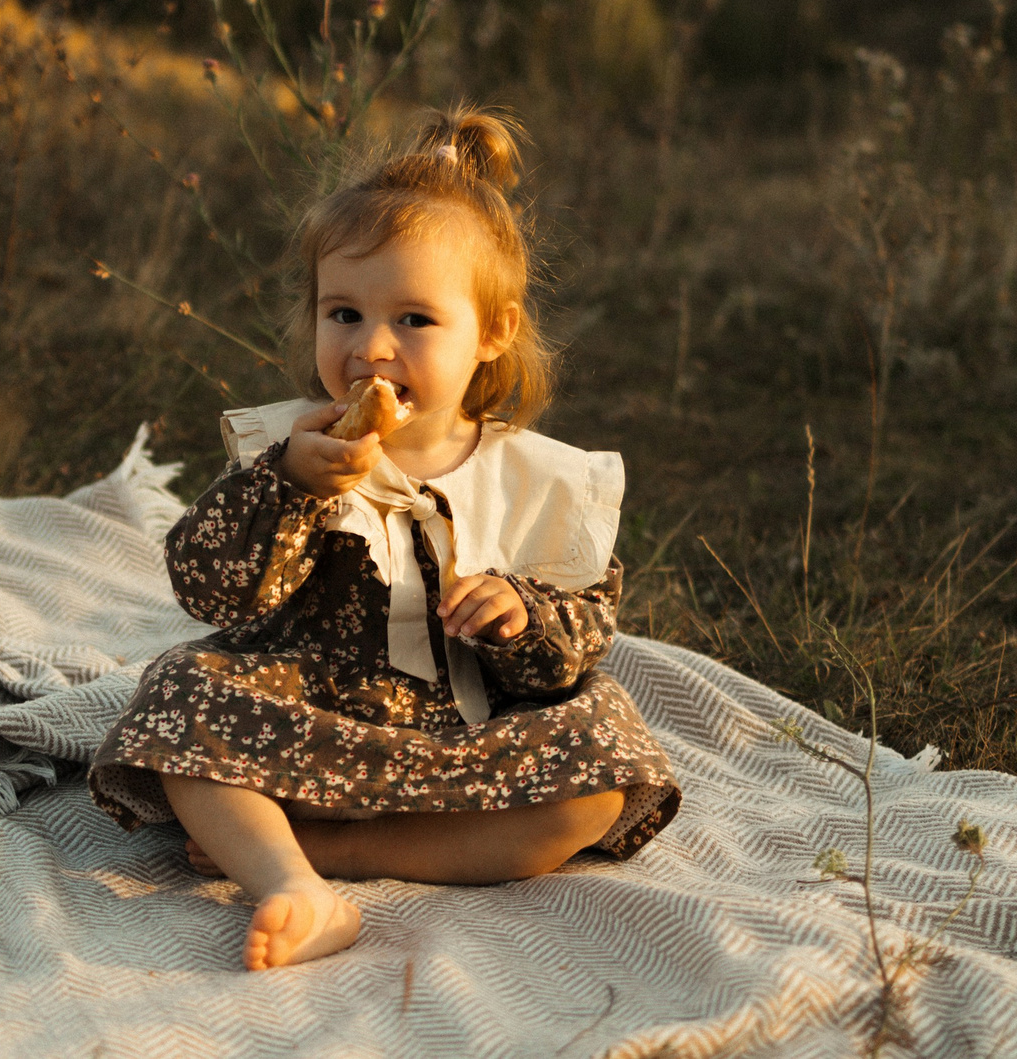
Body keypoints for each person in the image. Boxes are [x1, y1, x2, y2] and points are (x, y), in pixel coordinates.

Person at [88, 106, 681, 970]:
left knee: (603, 768)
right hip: (307, 706)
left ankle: (336, 852)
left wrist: (522, 616)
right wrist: (287, 490)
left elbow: (583, 637)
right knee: (179, 690)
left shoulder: (536, 478)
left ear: (495, 331)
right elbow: (207, 588)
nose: (371, 347)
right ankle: (292, 884)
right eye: (343, 313)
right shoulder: (291, 448)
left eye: (413, 320)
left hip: (466, 727)